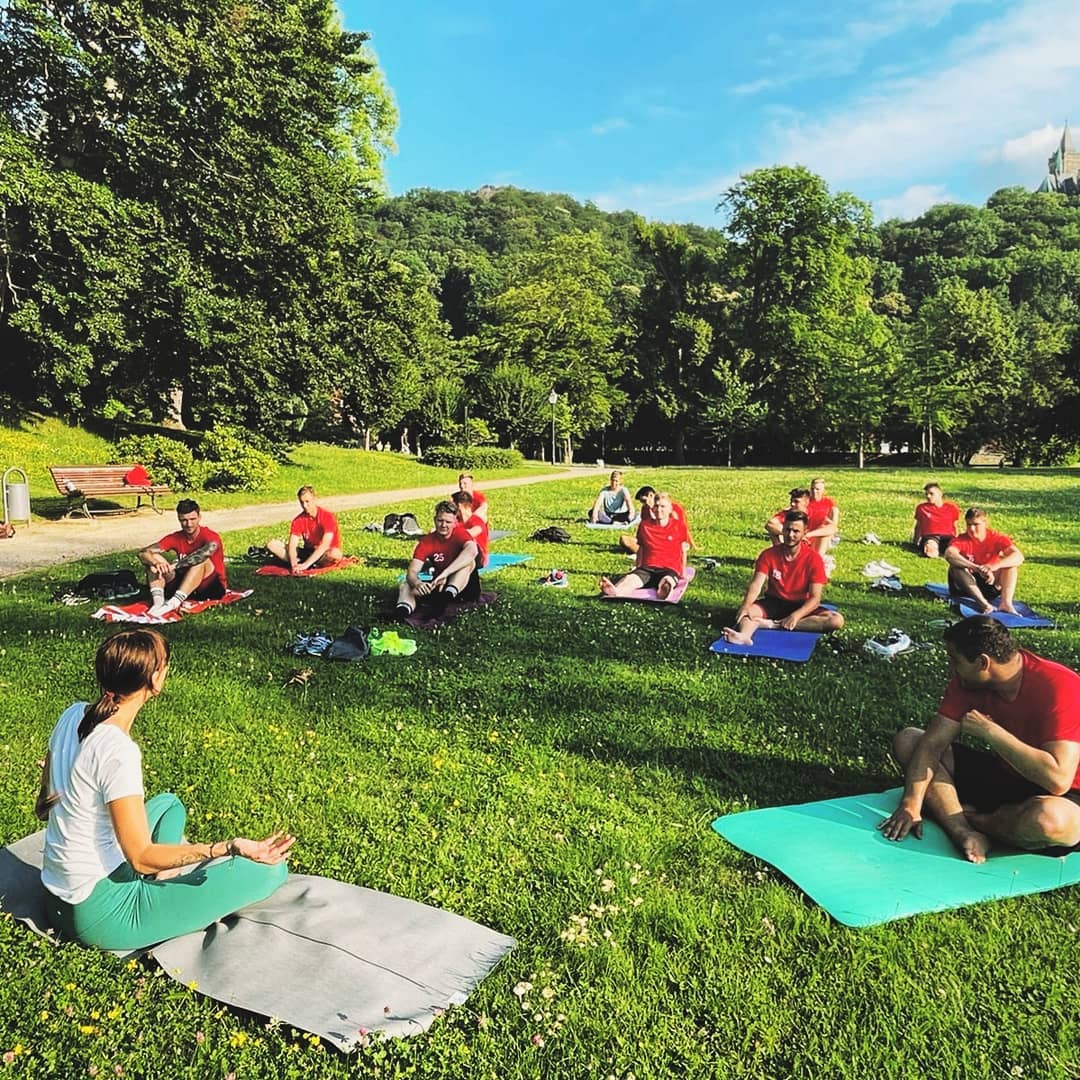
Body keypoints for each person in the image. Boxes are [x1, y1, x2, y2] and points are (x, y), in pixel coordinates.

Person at [37, 630, 294, 951]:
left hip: (55, 896)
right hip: (99, 916)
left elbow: (46, 793)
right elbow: (142, 858)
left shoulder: (72, 713)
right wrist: (227, 847)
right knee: (270, 872)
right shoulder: (118, 752)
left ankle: (163, 886)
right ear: (155, 680)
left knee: (170, 805)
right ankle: (156, 898)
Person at [879, 617, 1080, 863]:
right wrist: (911, 802)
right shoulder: (969, 682)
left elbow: (1058, 780)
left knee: (1048, 821)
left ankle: (979, 820)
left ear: (983, 663)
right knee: (909, 740)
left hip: (1067, 795)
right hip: (1009, 775)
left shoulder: (1060, 686)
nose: (951, 669)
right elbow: (932, 745)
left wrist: (991, 731)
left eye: (956, 661)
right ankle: (964, 832)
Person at [722, 511, 844, 646]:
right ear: (783, 529)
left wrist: (796, 616)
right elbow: (756, 585)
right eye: (787, 530)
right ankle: (744, 636)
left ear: (804, 532)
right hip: (774, 602)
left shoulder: (813, 559)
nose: (790, 535)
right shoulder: (769, 555)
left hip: (801, 605)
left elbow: (815, 598)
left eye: (796, 531)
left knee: (835, 620)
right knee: (748, 613)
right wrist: (745, 606)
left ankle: (774, 625)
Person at [138, 500, 226, 617]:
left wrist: (173, 566)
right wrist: (156, 563)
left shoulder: (210, 535)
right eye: (184, 520)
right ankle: (158, 603)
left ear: (199, 517)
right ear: (179, 519)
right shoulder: (176, 537)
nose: (189, 524)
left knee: (201, 561)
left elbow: (203, 554)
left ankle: (173, 603)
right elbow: (143, 553)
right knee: (153, 559)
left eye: (192, 519)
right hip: (185, 585)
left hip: (210, 587)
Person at [396, 500, 481, 618]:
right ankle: (401, 612)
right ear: (434, 520)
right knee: (406, 585)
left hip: (464, 587)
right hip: (440, 584)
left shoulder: (461, 534)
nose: (443, 525)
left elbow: (472, 551)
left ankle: (445, 598)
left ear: (455, 522)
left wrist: (445, 573)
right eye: (440, 521)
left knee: (468, 563)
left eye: (448, 522)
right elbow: (412, 571)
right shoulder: (426, 542)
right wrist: (417, 583)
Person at [600, 492, 688, 600]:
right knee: (630, 579)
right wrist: (637, 568)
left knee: (667, 580)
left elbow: (683, 549)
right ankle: (616, 591)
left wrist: (682, 573)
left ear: (670, 509)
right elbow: (641, 549)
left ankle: (664, 591)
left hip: (669, 568)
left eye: (663, 506)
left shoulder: (678, 526)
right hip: (648, 567)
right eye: (656, 506)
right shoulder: (645, 525)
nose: (659, 509)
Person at [944, 507, 1024, 616]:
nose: (972, 529)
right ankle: (984, 605)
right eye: (969, 525)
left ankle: (1006, 603)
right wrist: (977, 568)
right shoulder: (962, 539)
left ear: (985, 523)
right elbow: (949, 554)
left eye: (976, 525)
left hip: (989, 583)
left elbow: (1019, 556)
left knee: (1011, 566)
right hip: (964, 585)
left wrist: (992, 567)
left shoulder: (996, 538)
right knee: (955, 568)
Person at [265, 486, 343, 575]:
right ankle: (301, 563)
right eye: (302, 502)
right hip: (307, 552)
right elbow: (292, 545)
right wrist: (294, 564)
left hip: (324, 553)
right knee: (272, 544)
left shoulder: (327, 517)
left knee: (335, 554)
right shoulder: (298, 520)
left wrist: (306, 565)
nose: (305, 506)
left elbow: (325, 545)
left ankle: (310, 564)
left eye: (307, 502)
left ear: (314, 499)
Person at [621, 486, 695, 554]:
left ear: (651, 495)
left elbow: (682, 530)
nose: (644, 504)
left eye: (644, 501)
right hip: (653, 540)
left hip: (670, 541)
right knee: (625, 540)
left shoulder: (673, 509)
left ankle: (655, 553)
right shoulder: (645, 510)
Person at [913, 483, 961, 558]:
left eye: (931, 494)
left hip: (947, 537)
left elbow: (955, 526)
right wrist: (915, 542)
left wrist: (957, 540)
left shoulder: (952, 508)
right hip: (931, 536)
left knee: (954, 552)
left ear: (940, 494)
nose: (928, 496)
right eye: (926, 494)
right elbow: (918, 526)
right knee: (931, 550)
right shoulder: (922, 508)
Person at [452, 490, 489, 566]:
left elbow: (474, 532)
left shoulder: (476, 520)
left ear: (459, 506)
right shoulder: (456, 522)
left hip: (478, 557)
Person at [805, 477, 840, 554]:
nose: (814, 491)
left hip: (821, 534)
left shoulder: (828, 503)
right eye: (812, 489)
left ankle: (819, 558)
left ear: (823, 490)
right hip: (808, 533)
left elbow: (832, 526)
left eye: (817, 489)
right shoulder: (805, 502)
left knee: (834, 512)